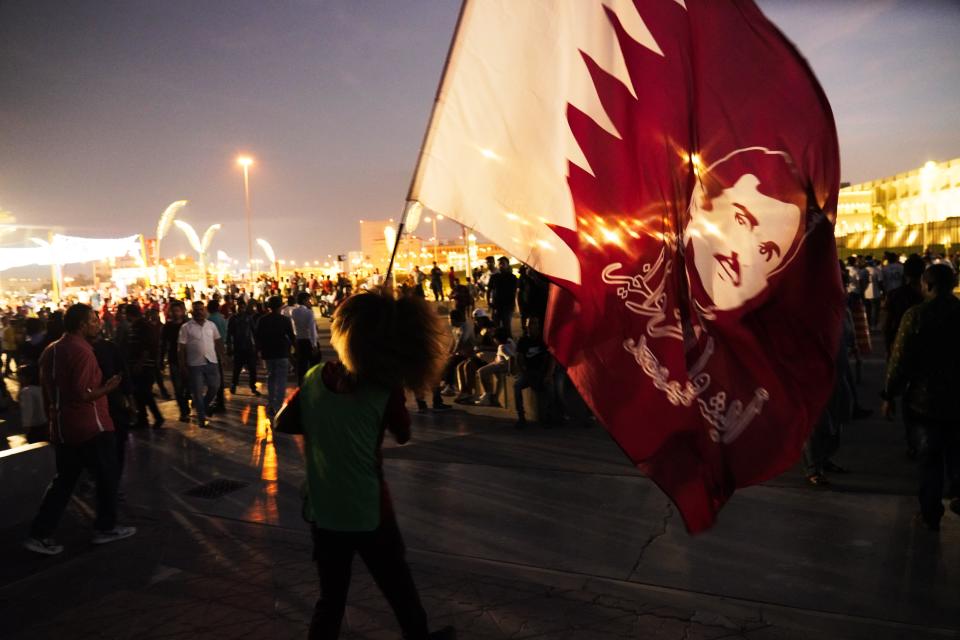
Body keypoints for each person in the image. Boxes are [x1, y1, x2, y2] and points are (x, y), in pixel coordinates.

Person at [275, 289, 454, 640]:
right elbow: (403, 433)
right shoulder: (383, 390)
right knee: (399, 590)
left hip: (324, 510)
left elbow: (283, 422)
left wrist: (324, 422)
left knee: (331, 598)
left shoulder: (314, 378)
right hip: (370, 510)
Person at [23, 304, 136, 555]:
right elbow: (84, 394)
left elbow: (48, 392)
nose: (98, 324)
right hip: (91, 426)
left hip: (64, 427)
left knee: (65, 480)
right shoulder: (83, 351)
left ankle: (39, 533)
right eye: (94, 321)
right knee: (107, 476)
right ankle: (105, 528)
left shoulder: (51, 350)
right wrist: (109, 388)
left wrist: (51, 421)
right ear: (83, 325)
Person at [882, 264, 960, 531]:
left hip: (924, 402)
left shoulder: (915, 316)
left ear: (926, 285)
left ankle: (930, 513)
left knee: (930, 459)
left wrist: (889, 394)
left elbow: (899, 360)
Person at [178, 300, 224, 428]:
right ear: (192, 312)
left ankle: (202, 406)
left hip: (211, 361)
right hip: (195, 363)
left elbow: (218, 341)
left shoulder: (211, 325)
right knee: (197, 391)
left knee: (215, 386)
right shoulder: (186, 327)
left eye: (201, 309)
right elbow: (181, 348)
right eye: (196, 310)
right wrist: (182, 364)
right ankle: (201, 417)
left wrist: (223, 356)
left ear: (205, 311)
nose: (199, 312)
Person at [256, 295, 296, 417]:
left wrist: (258, 351)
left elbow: (258, 337)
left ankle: (271, 403)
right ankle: (278, 405)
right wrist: (295, 350)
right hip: (282, 352)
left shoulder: (262, 320)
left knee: (271, 377)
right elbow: (291, 336)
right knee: (281, 379)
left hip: (268, 353)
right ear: (280, 306)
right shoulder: (284, 320)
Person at [126, 305, 164, 429]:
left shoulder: (143, 326)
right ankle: (143, 419)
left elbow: (148, 347)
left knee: (144, 393)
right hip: (141, 365)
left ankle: (156, 417)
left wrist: (140, 363)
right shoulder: (137, 326)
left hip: (145, 366)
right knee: (140, 393)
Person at [513, 317, 552, 429]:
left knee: (550, 388)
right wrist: (524, 372)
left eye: (534, 324)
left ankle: (548, 416)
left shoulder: (543, 340)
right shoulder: (523, 341)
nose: (531, 327)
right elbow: (519, 359)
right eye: (529, 324)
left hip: (542, 373)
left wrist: (546, 374)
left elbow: (548, 358)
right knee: (517, 386)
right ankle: (521, 417)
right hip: (528, 372)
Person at [160, 300, 191, 422]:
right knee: (178, 388)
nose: (175, 313)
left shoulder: (188, 325)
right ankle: (183, 411)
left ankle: (186, 403)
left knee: (188, 386)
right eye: (173, 311)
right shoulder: (167, 327)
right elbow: (163, 344)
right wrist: (161, 359)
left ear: (182, 311)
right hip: (174, 360)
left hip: (189, 359)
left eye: (177, 310)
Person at [473, 328, 516, 407]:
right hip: (499, 360)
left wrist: (510, 370)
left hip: (501, 365)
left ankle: (487, 394)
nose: (494, 342)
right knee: (481, 355)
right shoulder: (510, 341)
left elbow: (511, 358)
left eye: (494, 340)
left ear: (497, 339)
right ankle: (493, 397)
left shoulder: (502, 347)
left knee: (481, 371)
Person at [227, 300, 261, 396]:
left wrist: (257, 345)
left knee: (252, 368)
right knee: (237, 368)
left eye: (243, 307)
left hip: (248, 346)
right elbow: (229, 333)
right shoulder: (233, 319)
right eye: (240, 307)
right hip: (238, 347)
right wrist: (229, 345)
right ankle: (234, 384)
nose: (241, 309)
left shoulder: (248, 318)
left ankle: (252, 386)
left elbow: (254, 331)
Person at [291, 291, 319, 386]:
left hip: (299, 340)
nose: (310, 302)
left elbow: (294, 327)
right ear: (304, 301)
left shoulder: (294, 311)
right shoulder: (309, 312)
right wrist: (314, 344)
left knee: (301, 364)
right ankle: (312, 383)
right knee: (313, 364)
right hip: (308, 341)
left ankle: (301, 384)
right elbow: (312, 330)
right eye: (308, 300)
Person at [207, 299, 228, 414]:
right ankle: (220, 401)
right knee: (219, 376)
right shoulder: (222, 318)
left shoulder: (210, 320)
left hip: (213, 351)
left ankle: (218, 402)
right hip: (221, 349)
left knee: (215, 378)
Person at [487, 257, 518, 337]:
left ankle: (509, 344)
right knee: (496, 326)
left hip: (507, 306)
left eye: (503, 263)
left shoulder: (513, 278)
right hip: (496, 306)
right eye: (499, 263)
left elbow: (515, 293)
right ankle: (498, 343)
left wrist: (515, 306)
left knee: (506, 327)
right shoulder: (494, 277)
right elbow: (489, 290)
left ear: (508, 265)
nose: (501, 265)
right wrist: (489, 302)